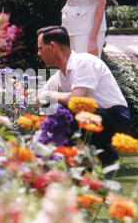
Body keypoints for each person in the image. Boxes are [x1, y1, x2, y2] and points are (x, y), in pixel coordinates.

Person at [37, 26, 131, 165]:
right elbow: (41, 96)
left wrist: (49, 94)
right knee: (51, 108)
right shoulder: (60, 75)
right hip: (95, 116)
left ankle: (98, 151)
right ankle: (101, 152)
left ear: (52, 46)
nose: (38, 53)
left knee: (60, 110)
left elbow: (77, 99)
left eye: (40, 48)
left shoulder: (84, 62)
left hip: (116, 118)